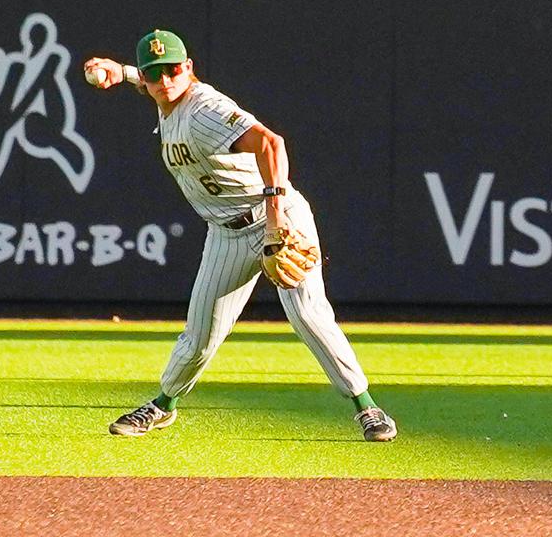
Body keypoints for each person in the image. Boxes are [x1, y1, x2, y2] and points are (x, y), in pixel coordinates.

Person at [83, 30, 397, 442]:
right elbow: (151, 84)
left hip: (276, 218)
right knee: (200, 334)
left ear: (189, 69)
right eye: (154, 73)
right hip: (226, 234)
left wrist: (275, 220)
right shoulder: (163, 93)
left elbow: (271, 144)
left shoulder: (204, 110)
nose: (165, 80)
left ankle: (367, 408)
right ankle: (163, 406)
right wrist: (120, 71)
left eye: (173, 69)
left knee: (308, 315)